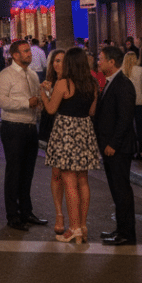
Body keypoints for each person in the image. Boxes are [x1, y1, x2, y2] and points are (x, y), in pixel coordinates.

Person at [42, 47, 101, 244]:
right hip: (84, 130)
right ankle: (82, 226)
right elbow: (92, 111)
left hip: (66, 132)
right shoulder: (91, 84)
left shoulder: (63, 83)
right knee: (83, 180)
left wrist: (43, 93)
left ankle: (74, 228)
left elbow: (51, 109)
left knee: (68, 180)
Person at [0, 40, 46, 231]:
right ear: (15, 55)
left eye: (29, 51)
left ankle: (26, 210)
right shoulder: (5, 76)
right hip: (13, 127)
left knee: (28, 172)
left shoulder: (32, 74)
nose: (28, 54)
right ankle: (12, 214)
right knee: (14, 171)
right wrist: (26, 102)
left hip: (31, 127)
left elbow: (35, 99)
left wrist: (39, 102)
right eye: (24, 52)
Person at [95, 46, 137, 246]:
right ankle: (120, 229)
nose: (98, 62)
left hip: (118, 147)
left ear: (112, 62)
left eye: (101, 59)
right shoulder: (111, 82)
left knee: (122, 190)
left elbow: (125, 118)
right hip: (109, 146)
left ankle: (127, 233)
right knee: (116, 189)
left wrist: (113, 143)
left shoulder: (123, 84)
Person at [41, 48, 66, 234]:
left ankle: (77, 221)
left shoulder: (72, 82)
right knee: (56, 174)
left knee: (74, 177)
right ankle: (59, 214)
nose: (58, 64)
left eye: (62, 61)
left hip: (70, 132)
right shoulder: (51, 82)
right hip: (55, 132)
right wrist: (46, 92)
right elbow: (48, 110)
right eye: (56, 61)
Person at [124, 52, 142, 161]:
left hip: (127, 103)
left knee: (128, 126)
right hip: (140, 102)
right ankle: (141, 150)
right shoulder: (141, 70)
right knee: (140, 127)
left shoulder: (122, 71)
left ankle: (131, 149)